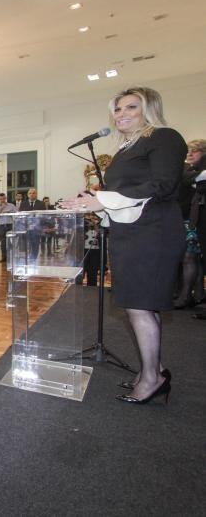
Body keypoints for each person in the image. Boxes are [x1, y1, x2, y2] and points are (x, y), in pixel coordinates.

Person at [60, 86, 185, 404]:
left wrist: (101, 201)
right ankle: (153, 370)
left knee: (140, 306)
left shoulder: (164, 137)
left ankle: (153, 379)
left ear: (149, 109)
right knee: (141, 305)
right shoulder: (126, 149)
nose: (121, 114)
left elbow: (162, 185)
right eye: (117, 109)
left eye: (131, 107)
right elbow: (124, 194)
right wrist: (90, 202)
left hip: (153, 233)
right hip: (131, 233)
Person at [174, 139, 206, 307]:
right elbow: (185, 179)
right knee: (192, 258)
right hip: (187, 219)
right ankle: (198, 294)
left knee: (189, 258)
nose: (190, 154)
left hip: (193, 220)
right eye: (189, 151)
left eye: (195, 150)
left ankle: (186, 296)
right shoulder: (188, 170)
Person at [0, 193, 17, 263]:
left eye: (4, 198)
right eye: (0, 199)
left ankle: (11, 257)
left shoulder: (11, 205)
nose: (2, 200)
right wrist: (1, 208)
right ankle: (4, 257)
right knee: (3, 242)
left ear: (6, 198)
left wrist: (10, 212)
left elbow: (16, 214)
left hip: (10, 225)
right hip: (1, 226)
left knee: (11, 242)